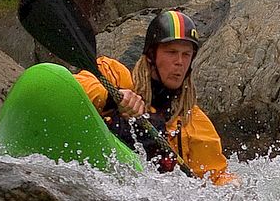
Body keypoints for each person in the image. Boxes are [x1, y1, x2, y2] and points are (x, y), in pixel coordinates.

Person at [75, 10, 238, 185]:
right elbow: (77, 85)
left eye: (186, 54)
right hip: (94, 166)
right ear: (152, 55)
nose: (180, 62)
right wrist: (112, 97)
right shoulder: (115, 75)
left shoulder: (194, 122)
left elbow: (216, 177)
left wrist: (232, 185)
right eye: (171, 52)